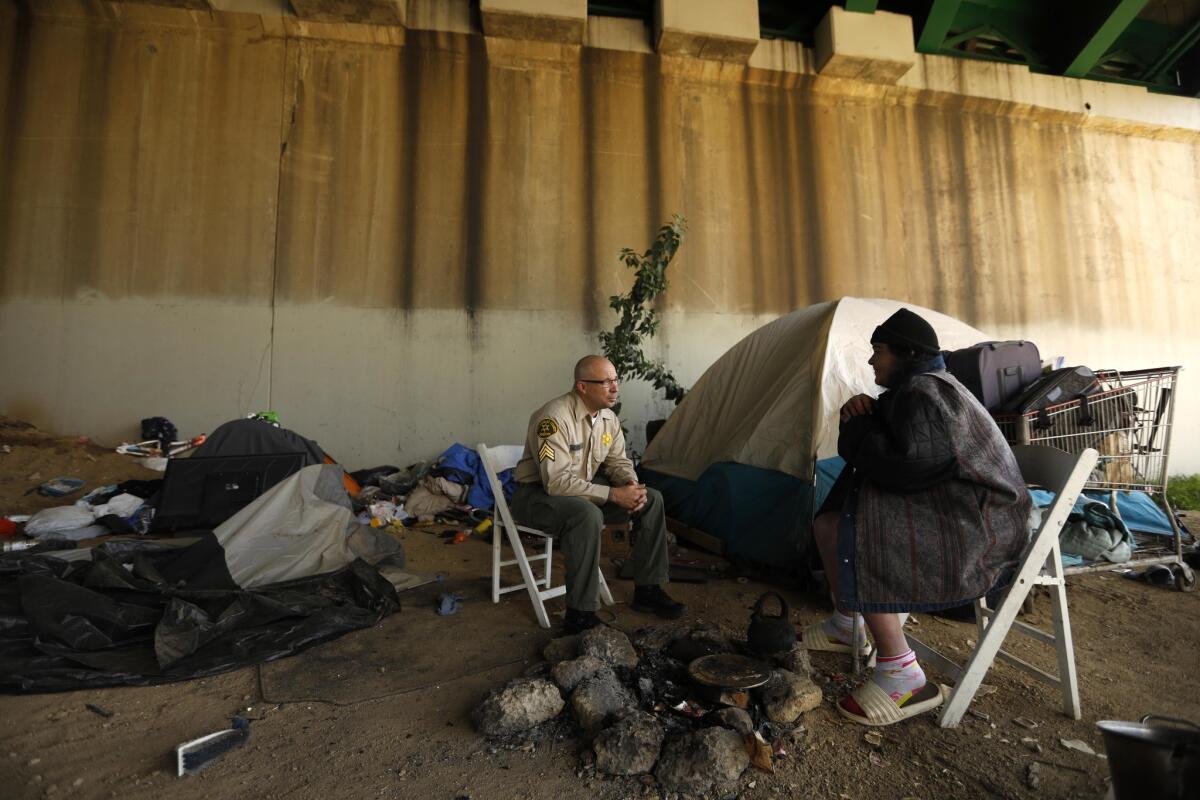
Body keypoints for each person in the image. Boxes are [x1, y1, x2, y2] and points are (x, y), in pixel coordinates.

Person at [799, 308, 1032, 726]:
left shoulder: (927, 391)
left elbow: (902, 466)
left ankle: (903, 676)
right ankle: (847, 624)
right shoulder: (918, 387)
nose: (872, 361)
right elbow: (908, 451)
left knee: (863, 533)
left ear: (908, 352)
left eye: (880, 351)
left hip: (984, 526)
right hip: (964, 508)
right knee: (830, 524)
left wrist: (855, 424)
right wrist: (869, 411)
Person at [512, 355, 686, 635]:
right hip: (536, 497)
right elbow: (555, 483)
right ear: (582, 387)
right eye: (606, 382)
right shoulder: (553, 419)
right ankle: (580, 614)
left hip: (579, 492)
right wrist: (613, 495)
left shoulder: (607, 419)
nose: (615, 388)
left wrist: (630, 485)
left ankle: (648, 590)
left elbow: (617, 462)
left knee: (650, 499)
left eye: (616, 380)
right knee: (586, 514)